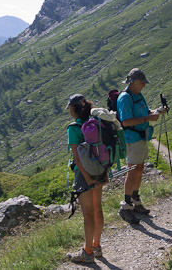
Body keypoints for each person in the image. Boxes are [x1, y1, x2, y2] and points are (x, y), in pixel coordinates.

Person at [117, 68, 166, 223]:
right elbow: (126, 121)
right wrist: (147, 118)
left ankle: (136, 201)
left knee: (139, 168)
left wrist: (157, 111)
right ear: (133, 82)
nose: (144, 86)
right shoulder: (125, 98)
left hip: (141, 137)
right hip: (132, 139)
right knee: (132, 170)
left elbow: (145, 111)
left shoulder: (138, 95)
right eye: (141, 83)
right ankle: (125, 206)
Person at [66, 93, 106, 264]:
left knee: (88, 214)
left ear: (74, 108)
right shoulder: (96, 123)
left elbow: (77, 158)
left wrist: (87, 178)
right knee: (98, 209)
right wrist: (103, 174)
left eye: (69, 106)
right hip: (100, 171)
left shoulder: (74, 128)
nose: (68, 109)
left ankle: (87, 252)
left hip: (85, 177)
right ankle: (97, 246)